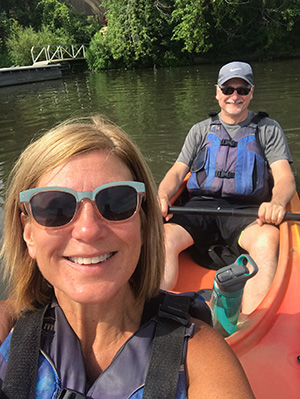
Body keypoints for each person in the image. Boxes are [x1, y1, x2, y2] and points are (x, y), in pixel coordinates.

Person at [0, 115, 255, 398]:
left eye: (116, 202)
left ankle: (255, 313)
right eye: (55, 207)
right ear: (28, 233)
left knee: (264, 242)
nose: (88, 230)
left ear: (144, 224)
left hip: (242, 215)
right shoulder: (7, 326)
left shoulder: (199, 356)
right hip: (200, 211)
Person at [159, 61, 296, 314]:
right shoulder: (200, 130)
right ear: (217, 92)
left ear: (251, 93)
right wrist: (162, 195)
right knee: (164, 237)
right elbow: (177, 172)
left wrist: (276, 203)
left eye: (242, 90)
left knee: (267, 238)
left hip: (246, 211)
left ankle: (249, 320)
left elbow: (284, 177)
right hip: (200, 208)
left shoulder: (268, 129)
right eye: (228, 89)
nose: (235, 96)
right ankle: (159, 316)